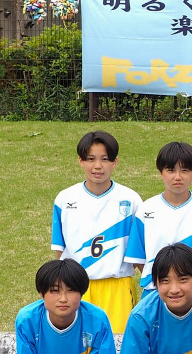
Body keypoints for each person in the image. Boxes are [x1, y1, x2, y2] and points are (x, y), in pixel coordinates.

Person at [51, 130, 142, 333]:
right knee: (78, 344)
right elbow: (60, 251)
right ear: (81, 161)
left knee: (118, 344)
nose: (97, 166)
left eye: (104, 159)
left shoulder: (131, 200)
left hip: (117, 286)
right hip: (77, 287)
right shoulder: (64, 199)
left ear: (115, 162)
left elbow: (138, 251)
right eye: (91, 159)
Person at [124, 141, 192, 293]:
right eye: (171, 170)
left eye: (185, 170)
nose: (177, 177)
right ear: (161, 172)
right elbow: (140, 257)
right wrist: (162, 281)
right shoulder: (146, 210)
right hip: (155, 291)